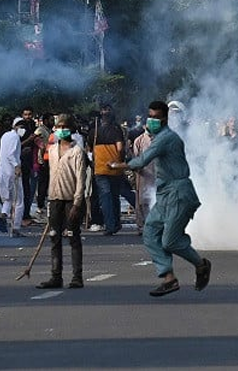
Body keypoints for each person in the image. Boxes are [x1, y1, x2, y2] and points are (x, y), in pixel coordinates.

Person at [110, 100, 211, 297]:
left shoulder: (167, 138)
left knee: (170, 241)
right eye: (150, 116)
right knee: (149, 232)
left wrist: (119, 166)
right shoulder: (158, 137)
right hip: (165, 193)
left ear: (165, 118)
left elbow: (143, 160)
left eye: (156, 117)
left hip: (179, 193)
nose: (152, 120)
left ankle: (201, 265)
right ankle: (168, 278)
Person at [36, 114, 88, 290]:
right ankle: (55, 276)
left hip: (70, 200)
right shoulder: (51, 150)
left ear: (71, 129)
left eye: (64, 127)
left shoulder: (77, 152)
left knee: (73, 237)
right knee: (54, 238)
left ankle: (77, 277)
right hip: (54, 199)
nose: (61, 130)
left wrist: (77, 203)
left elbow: (81, 180)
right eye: (58, 127)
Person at [87, 104, 126, 235]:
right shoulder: (117, 130)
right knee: (114, 196)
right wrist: (119, 161)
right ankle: (116, 223)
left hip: (100, 168)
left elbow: (90, 151)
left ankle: (110, 225)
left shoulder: (94, 132)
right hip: (115, 167)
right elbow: (120, 148)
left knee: (105, 197)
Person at [0, 116, 25, 236]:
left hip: (2, 172)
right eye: (21, 126)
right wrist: (17, 166)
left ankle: (3, 215)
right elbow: (10, 155)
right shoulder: (15, 137)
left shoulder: (5, 136)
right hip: (12, 173)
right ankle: (16, 227)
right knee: (19, 201)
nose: (22, 129)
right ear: (15, 126)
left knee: (8, 199)